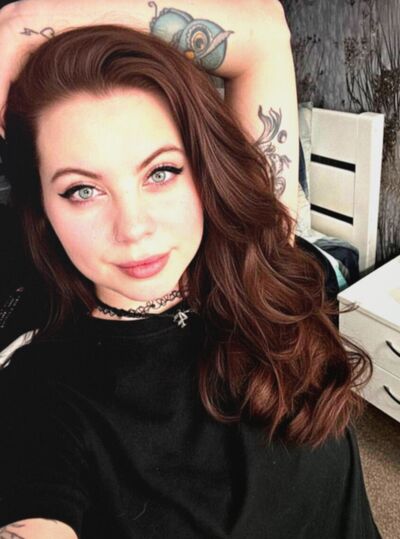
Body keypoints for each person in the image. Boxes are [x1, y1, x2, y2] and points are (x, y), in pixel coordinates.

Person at [0, 22, 381, 539]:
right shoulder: (42, 394)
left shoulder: (261, 261)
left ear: (204, 168)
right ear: (44, 208)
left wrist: (24, 22)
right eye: (82, 190)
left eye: (160, 173)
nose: (133, 229)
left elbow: (263, 34)